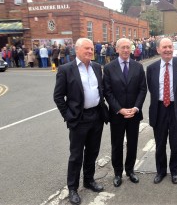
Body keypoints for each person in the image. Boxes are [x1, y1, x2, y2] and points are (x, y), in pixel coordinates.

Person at [53, 38, 108, 205]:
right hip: (79, 119)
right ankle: (72, 188)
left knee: (92, 152)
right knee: (76, 156)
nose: (90, 51)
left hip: (96, 117)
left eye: (91, 49)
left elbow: (101, 90)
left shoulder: (97, 67)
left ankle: (89, 180)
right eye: (87, 49)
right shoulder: (65, 69)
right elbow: (58, 96)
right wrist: (68, 116)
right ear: (77, 50)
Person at [146, 37, 177, 185]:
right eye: (164, 47)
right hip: (159, 109)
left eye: (170, 47)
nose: (168, 50)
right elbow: (152, 89)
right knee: (160, 144)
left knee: (176, 144)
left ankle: (175, 172)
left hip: (176, 108)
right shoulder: (151, 68)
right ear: (158, 50)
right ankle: (160, 171)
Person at [103, 37, 147, 187]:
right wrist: (120, 109)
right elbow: (107, 92)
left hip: (134, 113)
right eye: (123, 47)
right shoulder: (109, 68)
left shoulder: (138, 66)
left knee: (133, 143)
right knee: (116, 144)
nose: (126, 50)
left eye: (128, 47)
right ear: (117, 49)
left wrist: (135, 108)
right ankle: (117, 173)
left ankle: (130, 170)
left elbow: (142, 89)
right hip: (117, 115)